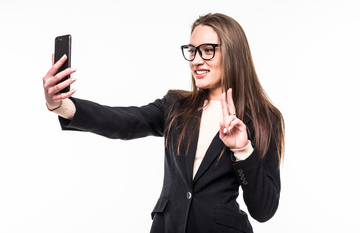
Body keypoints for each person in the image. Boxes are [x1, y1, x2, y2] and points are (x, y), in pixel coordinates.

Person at [43, 13, 285, 233]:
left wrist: (242, 150)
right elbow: (125, 121)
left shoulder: (265, 118)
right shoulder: (176, 106)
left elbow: (264, 210)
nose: (196, 60)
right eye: (192, 50)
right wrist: (62, 105)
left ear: (233, 53)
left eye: (208, 50)